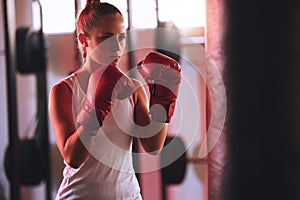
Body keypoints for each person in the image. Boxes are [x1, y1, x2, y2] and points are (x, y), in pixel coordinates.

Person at [49, 0, 181, 199]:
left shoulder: (133, 88)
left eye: (121, 39)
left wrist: (163, 98)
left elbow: (153, 146)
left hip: (128, 195)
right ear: (84, 40)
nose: (116, 47)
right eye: (106, 38)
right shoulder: (64, 91)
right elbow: (72, 157)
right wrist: (94, 109)